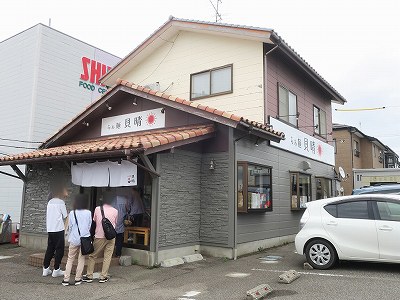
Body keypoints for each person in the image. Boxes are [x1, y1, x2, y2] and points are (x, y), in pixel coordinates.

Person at [83, 192, 118, 283]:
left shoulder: (97, 209)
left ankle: (89, 276)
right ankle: (103, 276)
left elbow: (94, 221)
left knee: (93, 256)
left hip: (99, 236)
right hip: (111, 237)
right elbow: (115, 223)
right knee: (107, 256)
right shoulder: (115, 211)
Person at [62, 194, 92, 286]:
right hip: (84, 239)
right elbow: (89, 225)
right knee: (81, 259)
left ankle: (66, 279)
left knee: (70, 259)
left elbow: (70, 226)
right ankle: (78, 279)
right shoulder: (88, 213)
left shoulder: (72, 213)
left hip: (74, 238)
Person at [42, 180, 68, 277]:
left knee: (50, 249)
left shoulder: (49, 202)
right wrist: (66, 229)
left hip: (50, 229)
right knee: (59, 249)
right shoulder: (61, 202)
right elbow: (66, 216)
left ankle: (46, 268)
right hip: (58, 229)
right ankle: (56, 270)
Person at [112, 193, 130, 257]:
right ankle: (118, 254)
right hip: (121, 222)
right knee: (119, 239)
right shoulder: (125, 200)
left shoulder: (115, 200)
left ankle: (111, 253)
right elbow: (128, 209)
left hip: (113, 223)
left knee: (112, 239)